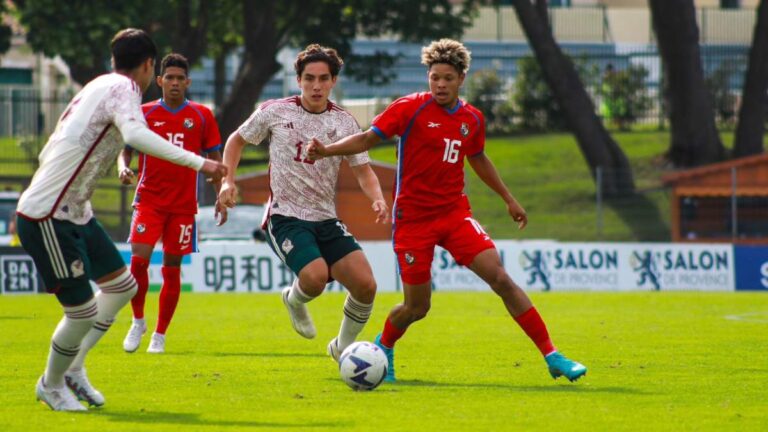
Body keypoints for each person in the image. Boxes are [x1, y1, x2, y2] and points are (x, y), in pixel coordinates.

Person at [307, 39, 586, 383]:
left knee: (501, 278)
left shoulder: (472, 118)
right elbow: (366, 140)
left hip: (454, 214)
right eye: (434, 77)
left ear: (461, 79)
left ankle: (553, 356)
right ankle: (385, 345)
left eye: (447, 78)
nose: (440, 84)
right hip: (413, 220)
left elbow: (478, 157)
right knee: (417, 308)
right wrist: (326, 151)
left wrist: (508, 198)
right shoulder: (409, 108)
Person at [15, 28, 227, 411]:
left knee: (123, 287)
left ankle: (74, 368)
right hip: (49, 216)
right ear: (149, 66)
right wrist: (202, 162)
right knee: (81, 312)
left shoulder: (98, 85)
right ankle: (52, 384)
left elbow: (54, 145)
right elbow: (135, 135)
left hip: (76, 213)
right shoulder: (125, 90)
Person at [218, 44, 388, 362]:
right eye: (309, 78)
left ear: (334, 81)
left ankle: (340, 349)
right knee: (315, 278)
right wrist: (228, 180)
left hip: (325, 218)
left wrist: (377, 198)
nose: (316, 85)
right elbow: (236, 140)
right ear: (298, 80)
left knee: (366, 285)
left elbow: (364, 171)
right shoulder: (275, 111)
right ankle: (294, 300)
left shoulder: (345, 123)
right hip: (285, 215)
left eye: (324, 78)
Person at [118, 53, 224, 354]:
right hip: (149, 200)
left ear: (187, 82)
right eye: (170, 78)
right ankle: (138, 321)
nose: (175, 83)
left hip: (183, 207)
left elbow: (215, 161)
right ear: (160, 80)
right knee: (138, 261)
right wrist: (123, 168)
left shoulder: (202, 115)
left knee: (172, 268)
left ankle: (160, 334)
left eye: (181, 79)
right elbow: (125, 150)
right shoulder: (144, 113)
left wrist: (221, 197)